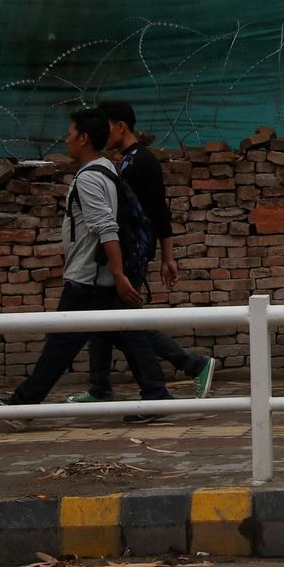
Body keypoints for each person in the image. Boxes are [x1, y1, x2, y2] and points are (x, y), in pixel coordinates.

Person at [0, 107, 174, 420]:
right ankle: (156, 395)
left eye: (70, 134)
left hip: (88, 277)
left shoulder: (89, 178)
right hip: (98, 275)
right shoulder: (107, 168)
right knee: (127, 333)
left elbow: (106, 227)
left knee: (62, 342)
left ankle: (23, 405)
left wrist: (117, 273)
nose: (66, 140)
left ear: (84, 138)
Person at [73, 101, 214, 402]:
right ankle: (100, 387)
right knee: (105, 320)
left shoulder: (142, 162)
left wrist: (167, 257)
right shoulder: (124, 161)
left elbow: (158, 212)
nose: (102, 132)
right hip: (124, 252)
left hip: (132, 254)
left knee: (125, 323)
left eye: (106, 125)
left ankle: (192, 365)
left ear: (121, 126)